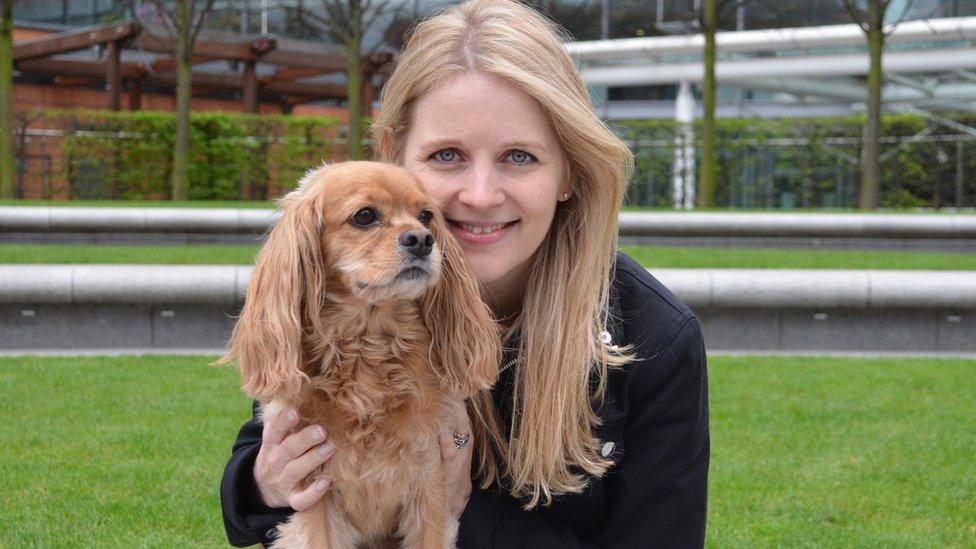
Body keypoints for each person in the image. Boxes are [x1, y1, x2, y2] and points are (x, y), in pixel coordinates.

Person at [220, 1, 709, 547]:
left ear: (569, 173)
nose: (480, 196)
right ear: (394, 157)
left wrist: (462, 512)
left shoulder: (657, 338)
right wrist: (263, 484)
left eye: (520, 157)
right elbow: (263, 460)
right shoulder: (343, 296)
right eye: (447, 154)